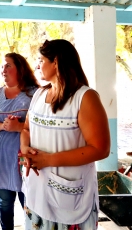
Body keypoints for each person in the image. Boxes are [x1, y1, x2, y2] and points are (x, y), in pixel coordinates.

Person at [19, 39, 110, 230]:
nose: (37, 65)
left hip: (70, 197)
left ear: (56, 62)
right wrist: (25, 149)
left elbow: (100, 149)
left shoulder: (85, 98)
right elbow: (26, 129)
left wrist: (49, 160)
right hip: (37, 191)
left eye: (41, 60)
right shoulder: (38, 95)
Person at [0, 53, 39, 229]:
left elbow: (44, 127)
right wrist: (3, 126)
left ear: (20, 68)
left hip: (24, 159)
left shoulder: (35, 94)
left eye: (8, 65)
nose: (3, 70)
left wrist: (18, 127)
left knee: (29, 204)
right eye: (2, 66)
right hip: (0, 160)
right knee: (4, 203)